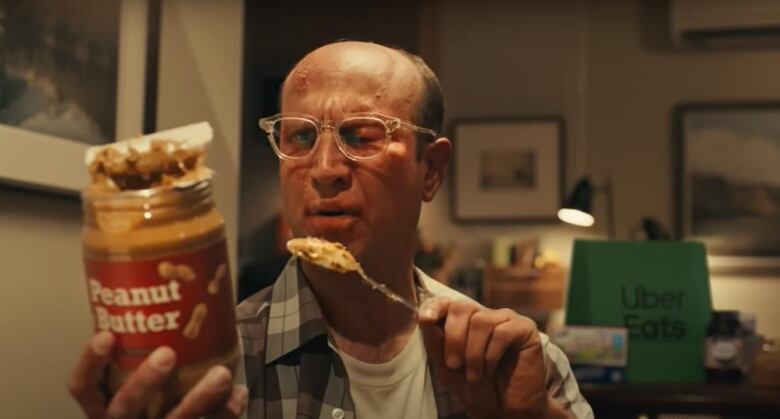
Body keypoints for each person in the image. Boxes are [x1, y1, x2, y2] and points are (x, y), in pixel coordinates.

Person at [69, 41, 592, 419]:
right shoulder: (215, 370)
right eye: (298, 136)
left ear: (430, 171)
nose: (323, 169)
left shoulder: (516, 363)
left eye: (361, 136)